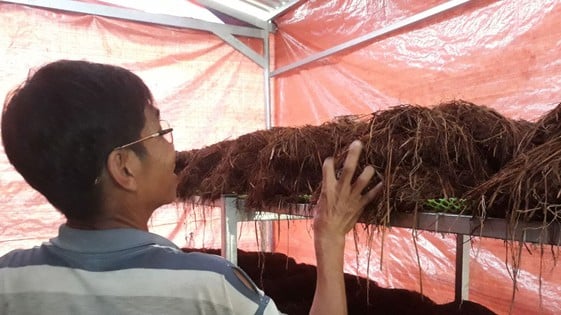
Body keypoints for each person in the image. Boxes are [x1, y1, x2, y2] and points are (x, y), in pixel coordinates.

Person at [0, 60, 382, 314]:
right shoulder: (209, 288)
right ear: (125, 168)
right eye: (160, 132)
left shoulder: (9, 281)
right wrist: (330, 239)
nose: (173, 149)